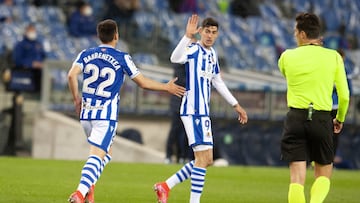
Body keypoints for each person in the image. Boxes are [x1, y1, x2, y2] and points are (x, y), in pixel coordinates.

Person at [67, 19, 185, 203]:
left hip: (86, 114)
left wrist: (76, 99)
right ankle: (80, 193)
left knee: (106, 154)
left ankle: (89, 188)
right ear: (116, 36)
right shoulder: (122, 57)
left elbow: (71, 75)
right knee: (96, 156)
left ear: (99, 36)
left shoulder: (85, 53)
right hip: (105, 116)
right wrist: (166, 87)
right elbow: (143, 83)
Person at [153, 14, 248, 203]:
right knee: (203, 160)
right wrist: (187, 36)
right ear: (201, 32)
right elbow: (175, 57)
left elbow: (218, 81)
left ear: (217, 34)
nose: (210, 35)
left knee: (206, 160)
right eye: (207, 31)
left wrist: (235, 104)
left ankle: (165, 186)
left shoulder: (212, 55)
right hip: (192, 110)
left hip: (203, 112)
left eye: (214, 32)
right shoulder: (194, 49)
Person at [278, 12, 350, 203]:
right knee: (324, 173)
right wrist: (340, 118)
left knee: (296, 179)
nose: (294, 35)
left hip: (295, 118)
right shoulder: (334, 57)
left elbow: (286, 74)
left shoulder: (287, 56)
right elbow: (344, 96)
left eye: (295, 31)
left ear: (302, 34)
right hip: (321, 118)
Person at [165, 63, 193, 164]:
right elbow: (180, 80)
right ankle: (169, 155)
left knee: (186, 131)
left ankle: (183, 156)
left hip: (188, 103)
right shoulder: (180, 63)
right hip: (178, 101)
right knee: (175, 130)